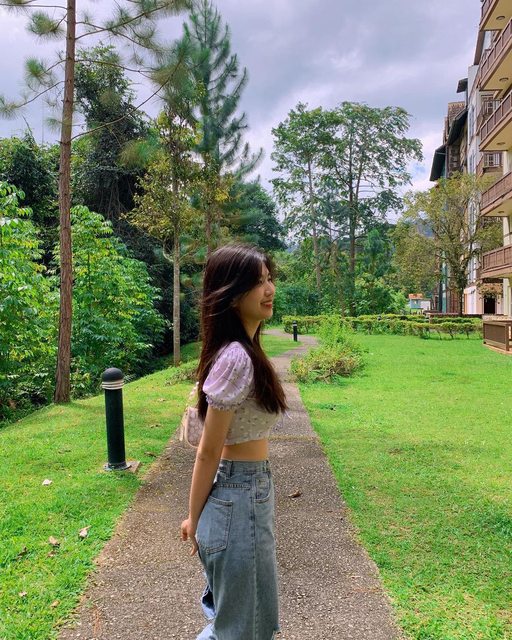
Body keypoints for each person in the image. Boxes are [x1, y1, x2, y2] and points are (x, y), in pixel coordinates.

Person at [181, 243, 288, 640]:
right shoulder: (237, 358)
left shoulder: (242, 352)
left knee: (241, 621)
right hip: (239, 494)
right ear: (230, 294)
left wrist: (199, 516)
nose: (269, 289)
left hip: (244, 492)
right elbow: (208, 451)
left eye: (269, 278)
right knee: (243, 628)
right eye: (257, 282)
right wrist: (194, 518)